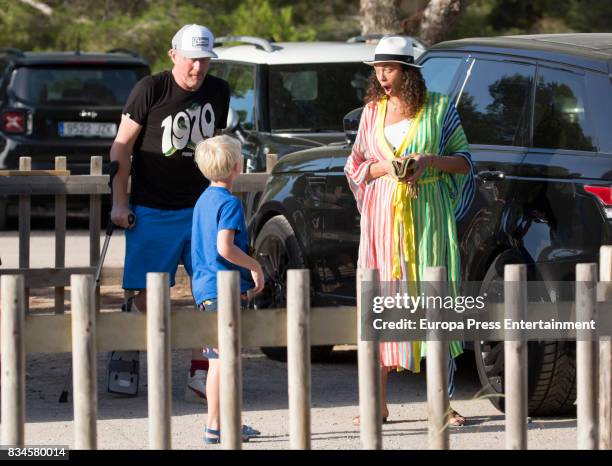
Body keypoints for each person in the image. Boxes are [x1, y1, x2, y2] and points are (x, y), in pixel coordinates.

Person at [344, 36, 475, 427]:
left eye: (390, 69)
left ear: (408, 71)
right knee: (382, 302)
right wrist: (384, 168)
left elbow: (466, 162)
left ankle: (441, 404)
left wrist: (428, 160)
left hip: (429, 217)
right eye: (378, 70)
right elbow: (355, 166)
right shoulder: (371, 112)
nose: (382, 76)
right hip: (384, 220)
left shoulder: (439, 109)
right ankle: (376, 403)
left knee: (435, 302)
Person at [109, 24, 230, 402]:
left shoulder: (219, 91)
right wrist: (118, 202)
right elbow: (121, 148)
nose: (198, 68)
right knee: (146, 294)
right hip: (152, 207)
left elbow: (215, 150)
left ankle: (201, 370)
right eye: (192, 59)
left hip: (200, 208)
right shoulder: (151, 89)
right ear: (173, 54)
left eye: (205, 59)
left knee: (212, 292)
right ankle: (128, 349)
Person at [191, 135, 264, 444]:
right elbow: (225, 247)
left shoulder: (203, 200)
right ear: (237, 167)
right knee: (224, 362)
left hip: (204, 289)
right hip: (224, 289)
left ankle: (217, 422)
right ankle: (218, 426)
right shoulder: (230, 203)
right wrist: (254, 266)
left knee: (215, 360)